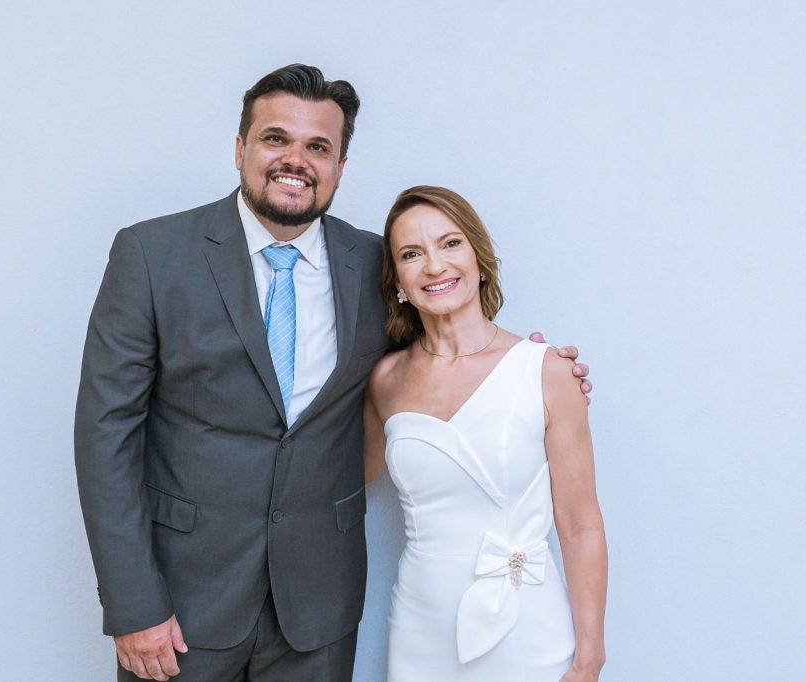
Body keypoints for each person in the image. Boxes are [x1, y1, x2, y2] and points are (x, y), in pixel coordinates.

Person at [75, 65, 592, 682]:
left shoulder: (376, 266)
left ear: (340, 166)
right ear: (240, 148)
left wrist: (534, 372)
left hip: (319, 612)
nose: (296, 160)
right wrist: (134, 603)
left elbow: (445, 349)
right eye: (276, 139)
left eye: (318, 146)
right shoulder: (152, 255)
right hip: (183, 604)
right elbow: (105, 437)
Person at [363, 186, 608, 681]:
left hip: (526, 623)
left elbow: (580, 524)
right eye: (412, 254)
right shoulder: (385, 379)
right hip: (420, 627)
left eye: (450, 243)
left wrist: (590, 655)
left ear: (478, 258)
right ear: (398, 282)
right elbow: (337, 485)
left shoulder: (546, 371)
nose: (434, 265)